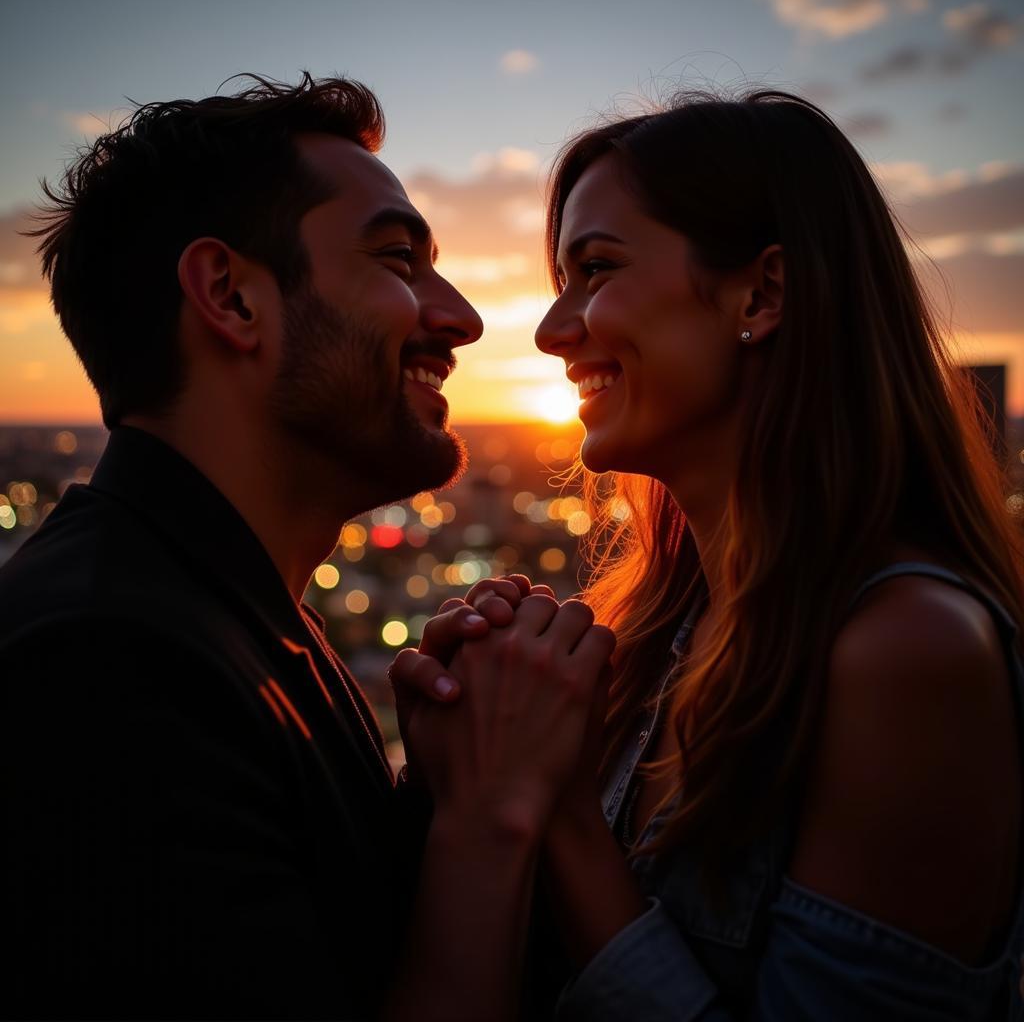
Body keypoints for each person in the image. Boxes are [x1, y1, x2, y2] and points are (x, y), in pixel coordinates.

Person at [392, 90, 1024, 1019]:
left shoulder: (905, 649)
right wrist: (455, 766)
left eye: (596, 270)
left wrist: (558, 808)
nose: (552, 330)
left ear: (761, 294)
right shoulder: (654, 620)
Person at [0, 74, 615, 1021]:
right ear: (231, 298)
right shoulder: (103, 665)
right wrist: (489, 819)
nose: (460, 317)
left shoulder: (226, 614)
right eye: (398, 259)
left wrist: (437, 790)